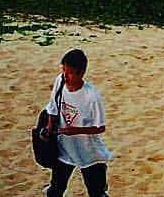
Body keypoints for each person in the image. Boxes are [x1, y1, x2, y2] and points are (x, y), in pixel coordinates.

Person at [40, 49, 112, 197]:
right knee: (55, 190)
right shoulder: (60, 81)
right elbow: (53, 107)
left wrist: (76, 130)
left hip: (89, 153)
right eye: (63, 70)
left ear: (81, 73)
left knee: (97, 192)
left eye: (70, 72)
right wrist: (48, 127)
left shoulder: (92, 96)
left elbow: (100, 127)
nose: (65, 76)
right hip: (64, 149)